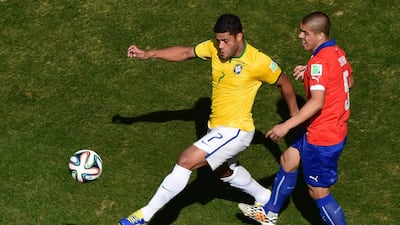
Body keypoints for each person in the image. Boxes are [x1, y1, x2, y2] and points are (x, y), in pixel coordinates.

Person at [118, 13, 299, 225]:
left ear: (239, 37)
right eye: (218, 40)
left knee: (186, 160)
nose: (220, 46)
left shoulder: (258, 61)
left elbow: (284, 83)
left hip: (237, 130)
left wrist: (293, 118)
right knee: (223, 170)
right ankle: (264, 197)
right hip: (217, 128)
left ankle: (143, 216)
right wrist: (149, 54)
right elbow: (185, 52)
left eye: (225, 41)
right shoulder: (213, 47)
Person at [239, 11, 354, 225]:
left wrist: (286, 125)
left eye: (305, 32)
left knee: (318, 192)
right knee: (288, 160)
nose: (300, 36)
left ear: (319, 36)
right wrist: (310, 71)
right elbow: (349, 81)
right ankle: (269, 214)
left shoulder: (320, 61)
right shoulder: (337, 52)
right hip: (321, 129)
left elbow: (317, 101)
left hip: (323, 137)